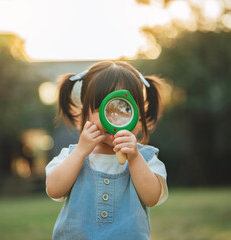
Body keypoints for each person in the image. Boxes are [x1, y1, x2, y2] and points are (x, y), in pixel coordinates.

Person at [45, 61, 168, 240]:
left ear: (139, 116)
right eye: (103, 109)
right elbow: (54, 190)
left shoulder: (146, 159)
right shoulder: (72, 155)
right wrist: (80, 152)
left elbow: (152, 198)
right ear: (84, 114)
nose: (115, 119)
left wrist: (134, 158)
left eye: (125, 109)